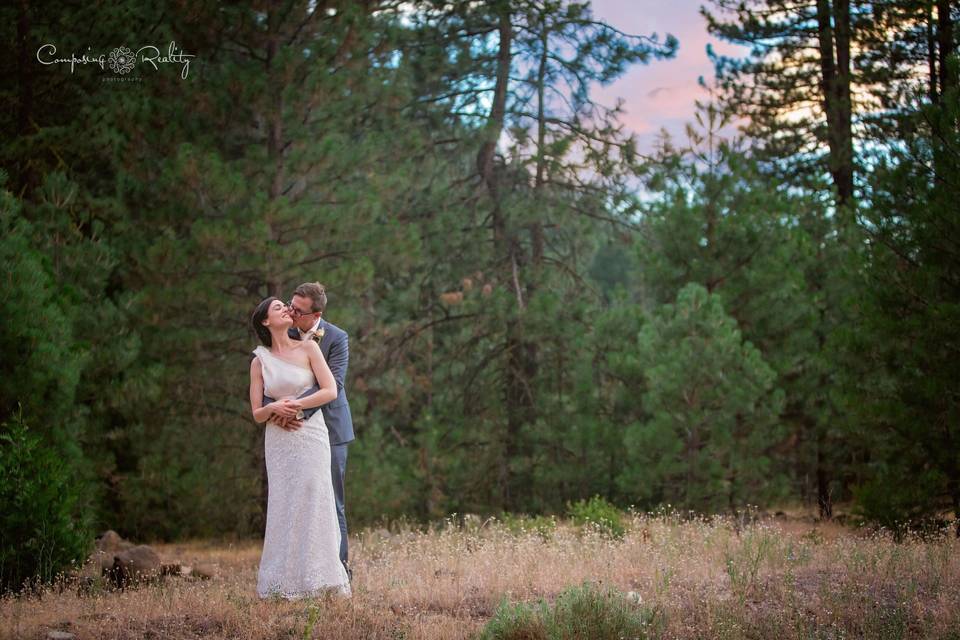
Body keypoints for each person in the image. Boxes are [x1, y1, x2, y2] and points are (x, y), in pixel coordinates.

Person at [248, 297, 351, 599]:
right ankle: (283, 582)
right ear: (266, 321)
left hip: (311, 434)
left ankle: (322, 578)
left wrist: (295, 406)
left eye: (287, 306)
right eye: (278, 307)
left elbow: (330, 389)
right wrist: (275, 409)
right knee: (284, 504)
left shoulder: (309, 348)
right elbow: (257, 412)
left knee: (317, 500)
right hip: (279, 441)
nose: (286, 310)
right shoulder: (259, 361)